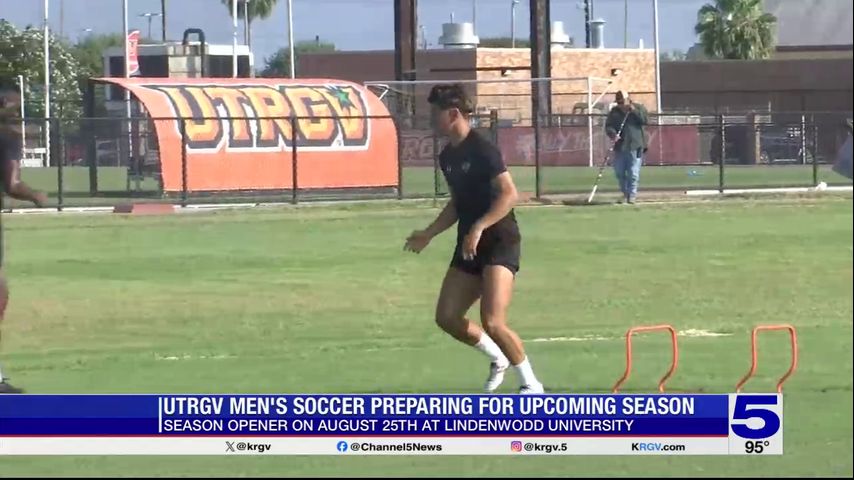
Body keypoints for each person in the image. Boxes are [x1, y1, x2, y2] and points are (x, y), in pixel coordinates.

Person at [403, 84, 544, 394]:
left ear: (453, 114)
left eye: (434, 114)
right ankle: (498, 359)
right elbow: (457, 203)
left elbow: (510, 194)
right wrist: (428, 233)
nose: (430, 120)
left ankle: (532, 385)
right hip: (469, 244)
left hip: (499, 242)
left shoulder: (483, 149)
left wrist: (479, 228)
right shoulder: (447, 157)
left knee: (493, 321)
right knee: (447, 317)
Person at [0, 83, 48, 393]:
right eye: (15, 108)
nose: (17, 115)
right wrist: (36, 195)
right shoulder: (7, 136)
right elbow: (12, 183)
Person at [605, 90, 648, 204]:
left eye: (622, 101)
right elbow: (608, 126)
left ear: (628, 99)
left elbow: (645, 121)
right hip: (620, 146)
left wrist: (634, 111)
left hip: (635, 145)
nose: (621, 104)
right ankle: (625, 193)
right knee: (619, 172)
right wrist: (613, 134)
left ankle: (632, 195)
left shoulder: (639, 108)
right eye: (619, 102)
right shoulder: (614, 112)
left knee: (633, 173)